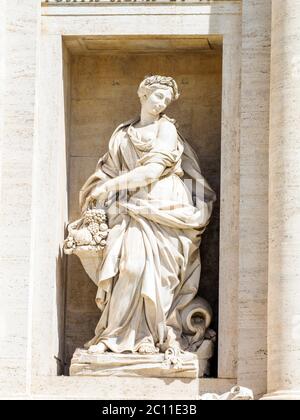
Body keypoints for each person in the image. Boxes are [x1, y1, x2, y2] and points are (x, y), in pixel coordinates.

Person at [78, 75, 216, 355]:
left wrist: (110, 187)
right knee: (128, 268)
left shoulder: (166, 130)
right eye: (158, 96)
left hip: (164, 209)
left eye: (167, 99)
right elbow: (107, 170)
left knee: (155, 274)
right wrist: (100, 190)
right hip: (129, 210)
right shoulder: (122, 134)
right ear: (143, 94)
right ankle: (113, 336)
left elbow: (152, 171)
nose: (162, 103)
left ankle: (149, 337)